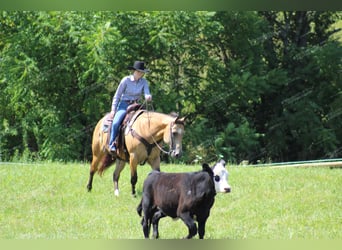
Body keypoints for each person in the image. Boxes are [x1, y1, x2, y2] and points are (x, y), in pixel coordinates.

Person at [108, 61, 152, 153]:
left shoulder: (144, 82)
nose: (140, 74)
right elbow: (117, 95)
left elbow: (147, 92)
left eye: (142, 72)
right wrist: (113, 110)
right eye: (138, 72)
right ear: (134, 71)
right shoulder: (125, 80)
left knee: (148, 121)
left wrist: (148, 96)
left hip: (137, 106)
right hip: (124, 104)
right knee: (116, 123)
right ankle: (112, 144)